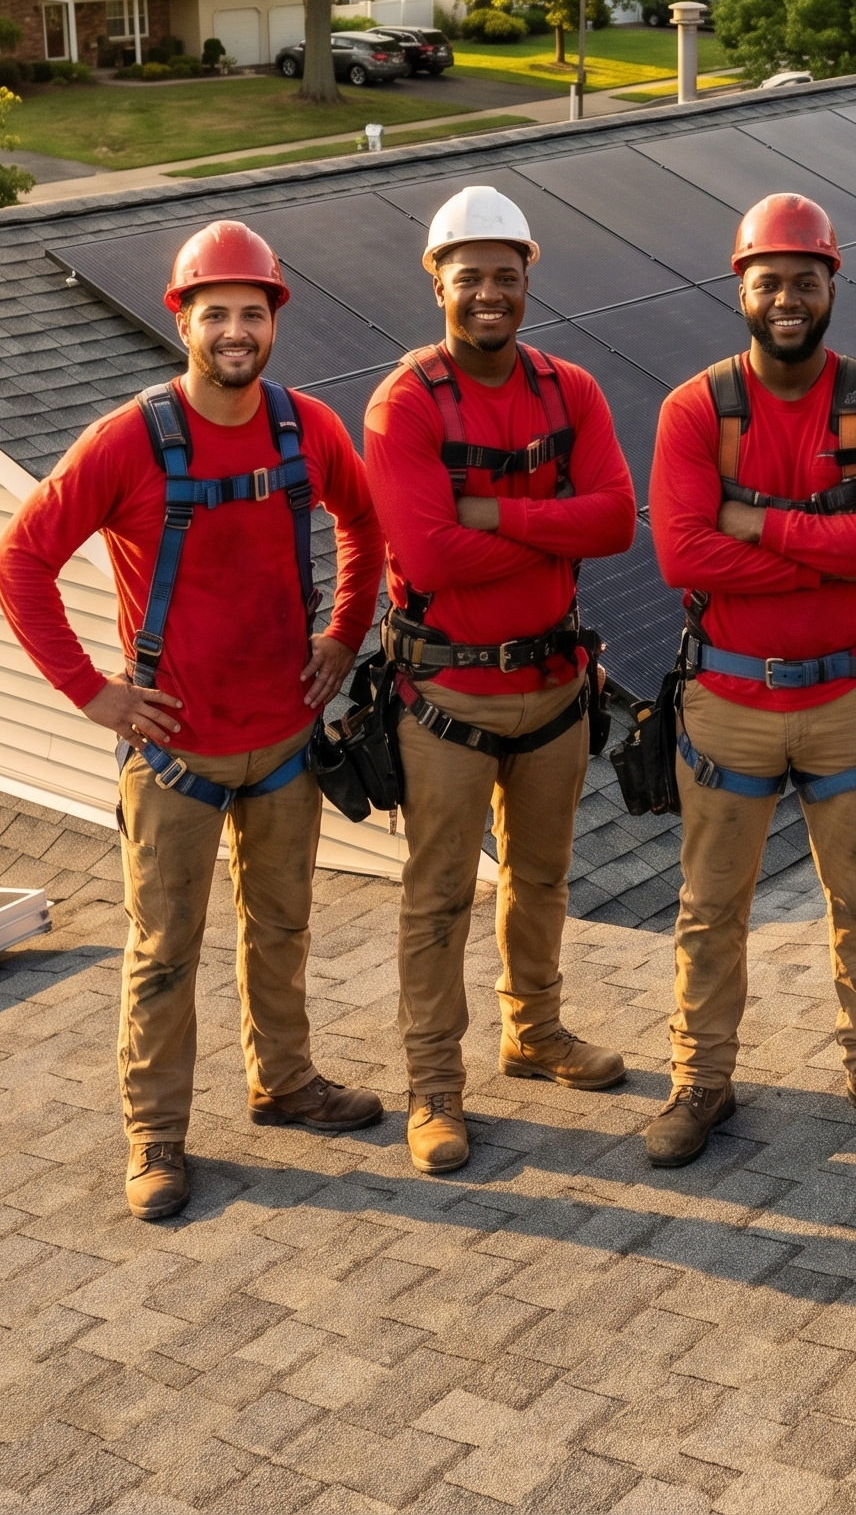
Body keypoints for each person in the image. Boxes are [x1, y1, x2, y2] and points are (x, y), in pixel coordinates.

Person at [0, 220, 386, 1221]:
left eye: (253, 313)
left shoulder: (304, 430)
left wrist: (343, 635)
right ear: (185, 321)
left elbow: (365, 523)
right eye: (218, 313)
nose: (237, 330)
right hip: (173, 756)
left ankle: (285, 1083)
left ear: (273, 321)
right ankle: (156, 1139)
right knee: (163, 951)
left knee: (282, 928)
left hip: (286, 745)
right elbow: (20, 560)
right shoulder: (131, 440)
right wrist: (91, 691)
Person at [645, 193, 856, 1166]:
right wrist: (829, 552)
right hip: (726, 701)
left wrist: (756, 524)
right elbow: (683, 557)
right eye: (767, 280)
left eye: (803, 281)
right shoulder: (696, 407)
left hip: (847, 700)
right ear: (741, 287)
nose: (786, 298)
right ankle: (700, 1082)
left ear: (830, 286)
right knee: (708, 906)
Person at [362, 185, 637, 1179]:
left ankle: (535, 1030)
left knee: (543, 877)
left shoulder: (570, 391)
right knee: (437, 895)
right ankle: (434, 1089)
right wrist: (537, 517)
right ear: (436, 281)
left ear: (528, 281)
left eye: (505, 277)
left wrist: (490, 512)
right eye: (468, 275)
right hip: (448, 700)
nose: (489, 293)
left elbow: (615, 521)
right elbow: (427, 559)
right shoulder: (405, 400)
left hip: (557, 686)